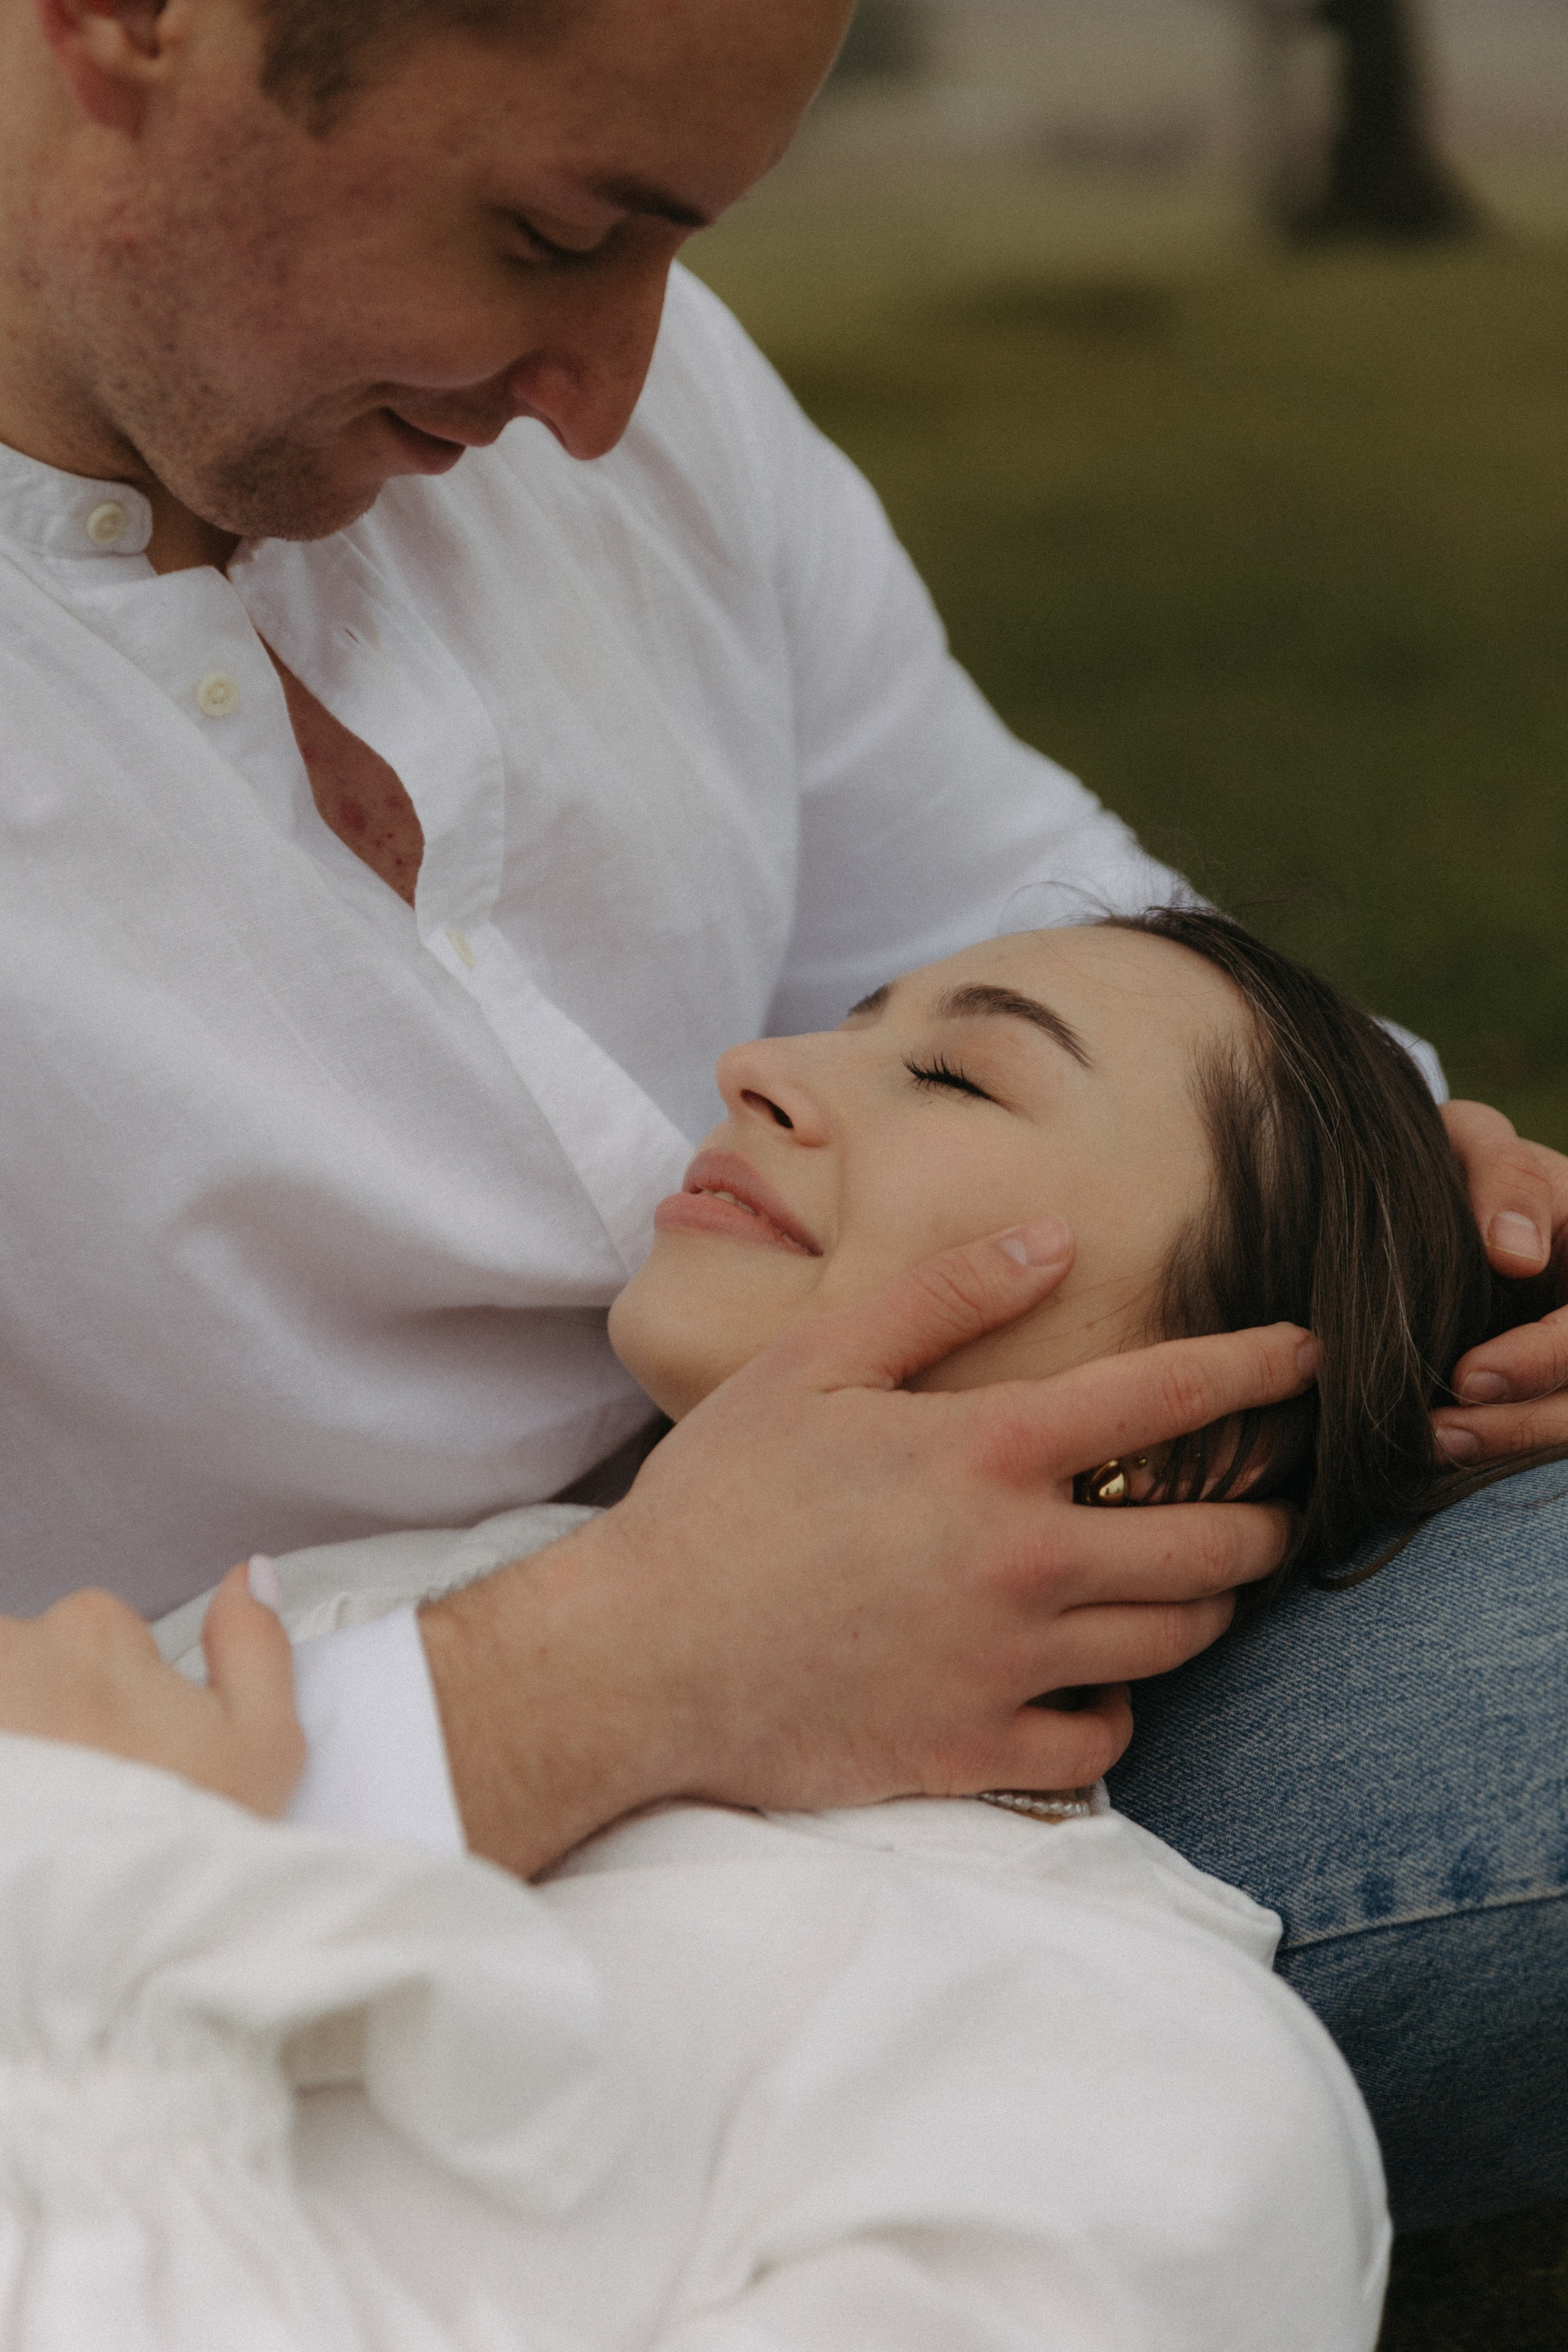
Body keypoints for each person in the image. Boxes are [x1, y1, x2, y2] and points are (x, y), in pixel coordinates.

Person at [0, 0, 1564, 2223]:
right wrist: (614, 1674)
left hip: (981, 1653)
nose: (612, 395)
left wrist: (1407, 1191)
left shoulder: (629, 407)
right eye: (549, 231)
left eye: (676, 243)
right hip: (257, 1869)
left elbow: (1016, 892)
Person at [0, 906, 1438, 2350]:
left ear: (1200, 1441)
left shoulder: (1131, 2095)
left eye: (958, 1078)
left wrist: (115, 2027)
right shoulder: (328, 1597)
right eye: (852, 1020)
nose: (754, 1060)